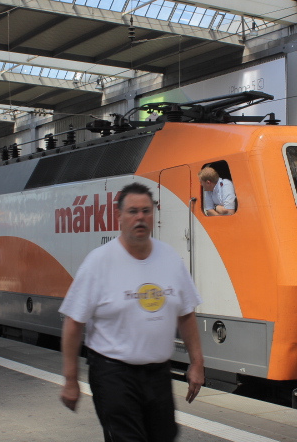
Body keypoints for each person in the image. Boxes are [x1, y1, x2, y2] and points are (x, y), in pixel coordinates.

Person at [59, 182, 204, 442]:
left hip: (158, 374)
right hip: (113, 373)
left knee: (164, 437)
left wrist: (197, 363)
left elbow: (185, 314)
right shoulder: (99, 262)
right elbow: (73, 322)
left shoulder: (169, 258)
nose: (140, 217)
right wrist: (71, 379)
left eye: (146, 211)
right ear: (119, 217)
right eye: (133, 211)